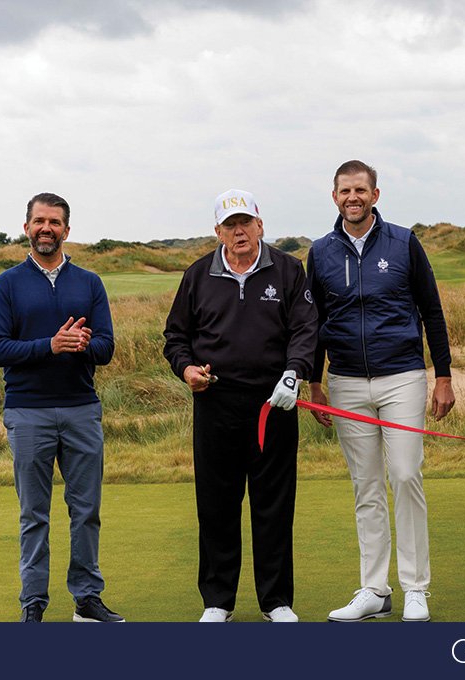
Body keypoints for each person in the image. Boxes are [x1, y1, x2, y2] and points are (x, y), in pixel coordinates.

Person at [306, 160, 455, 623]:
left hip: (402, 376)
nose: (352, 197)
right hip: (346, 381)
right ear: (334, 197)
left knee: (405, 475)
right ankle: (374, 589)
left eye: (360, 190)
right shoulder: (320, 252)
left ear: (375, 194)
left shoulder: (404, 242)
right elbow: (314, 322)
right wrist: (315, 381)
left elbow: (431, 310)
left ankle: (416, 587)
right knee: (366, 485)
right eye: (344, 191)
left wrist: (444, 375)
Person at [163, 189, 317, 623]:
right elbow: (176, 337)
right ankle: (218, 600)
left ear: (260, 225)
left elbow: (305, 329)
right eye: (230, 225)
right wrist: (187, 369)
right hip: (215, 403)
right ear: (218, 232)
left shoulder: (288, 270)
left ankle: (276, 601)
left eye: (245, 222)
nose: (239, 231)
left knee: (274, 504)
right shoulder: (198, 275)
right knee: (217, 504)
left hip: (274, 403)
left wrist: (294, 372)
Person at [0, 192, 122, 623]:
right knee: (34, 514)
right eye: (40, 221)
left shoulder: (89, 283)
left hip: (81, 408)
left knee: (86, 511)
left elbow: (106, 347)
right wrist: (50, 345)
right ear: (27, 227)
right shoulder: (8, 283)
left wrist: (81, 344)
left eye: (55, 222)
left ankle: (87, 599)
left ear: (67, 230)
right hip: (28, 412)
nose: (47, 228)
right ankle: (33, 603)